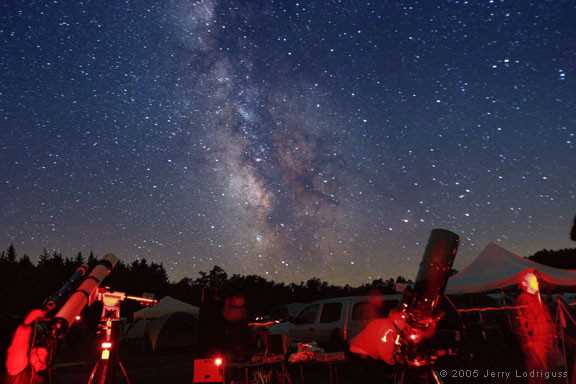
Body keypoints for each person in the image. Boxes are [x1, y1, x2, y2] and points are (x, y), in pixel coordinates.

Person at [4, 309, 48, 384]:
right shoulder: (17, 369)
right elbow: (19, 346)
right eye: (38, 355)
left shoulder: (17, 369)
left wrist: (27, 323)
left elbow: (19, 346)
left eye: (41, 358)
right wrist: (27, 323)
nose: (40, 362)